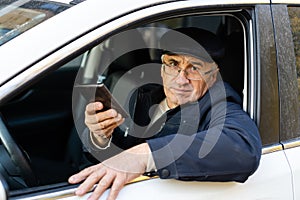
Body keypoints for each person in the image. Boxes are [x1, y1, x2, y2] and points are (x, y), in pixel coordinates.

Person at [68, 27, 262, 200]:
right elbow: (117, 156)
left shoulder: (220, 107)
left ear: (212, 77)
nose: (181, 79)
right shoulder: (142, 96)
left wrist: (145, 155)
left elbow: (243, 148)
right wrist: (101, 136)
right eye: (173, 64)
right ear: (162, 69)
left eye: (194, 68)